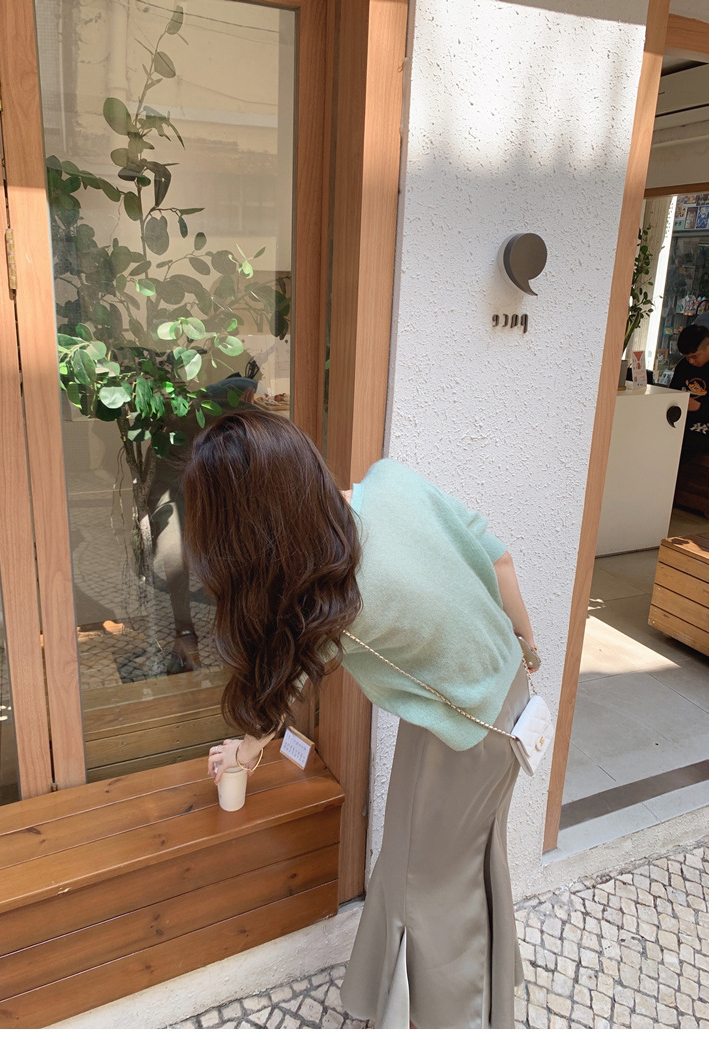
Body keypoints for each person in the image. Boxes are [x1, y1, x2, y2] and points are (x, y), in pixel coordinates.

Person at [183, 409, 538, 1030]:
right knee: (444, 856)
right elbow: (499, 561)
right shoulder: (392, 480)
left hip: (468, 731)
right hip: (498, 697)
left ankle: (453, 1026)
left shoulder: (331, 594)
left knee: (430, 888)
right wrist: (526, 652)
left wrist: (241, 755)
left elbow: (278, 691)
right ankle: (405, 998)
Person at [670, 323, 709, 464]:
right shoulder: (683, 366)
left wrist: (699, 407)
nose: (691, 361)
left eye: (695, 356)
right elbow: (673, 392)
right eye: (687, 357)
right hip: (683, 424)